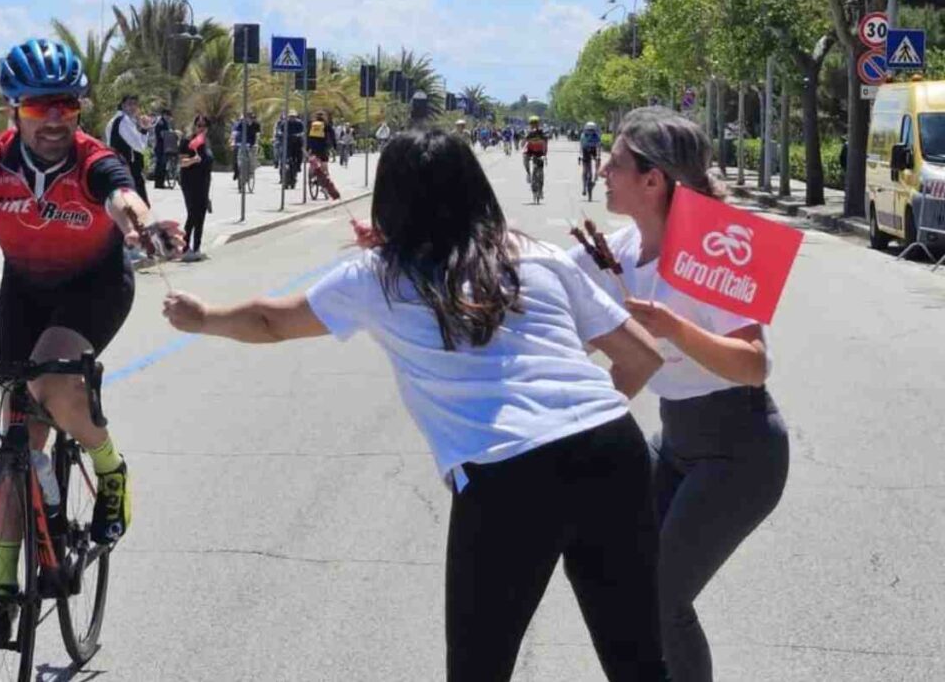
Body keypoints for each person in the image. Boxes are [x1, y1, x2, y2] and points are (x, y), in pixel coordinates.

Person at [164, 129, 670, 681]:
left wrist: (202, 317)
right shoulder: (538, 255)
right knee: (639, 662)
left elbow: (270, 321)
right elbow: (642, 357)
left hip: (507, 471)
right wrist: (575, 423)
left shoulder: (378, 276)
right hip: (612, 447)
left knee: (479, 668)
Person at [0, 38, 184, 647]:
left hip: (96, 286)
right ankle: (1, 585)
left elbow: (123, 198)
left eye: (67, 106)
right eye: (41, 108)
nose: (56, 120)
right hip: (26, 291)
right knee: (19, 435)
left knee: (52, 379)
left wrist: (144, 225)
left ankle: (109, 469)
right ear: (12, 109)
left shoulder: (93, 160)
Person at [570, 106, 789, 682]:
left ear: (653, 180)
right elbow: (532, 286)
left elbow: (753, 365)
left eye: (615, 164)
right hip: (675, 445)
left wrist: (673, 327)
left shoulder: (713, 247)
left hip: (740, 454)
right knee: (609, 568)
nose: (602, 172)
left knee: (662, 597)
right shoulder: (615, 250)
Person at [104, 94, 152, 205]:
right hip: (128, 169)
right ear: (123, 105)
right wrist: (144, 130)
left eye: (135, 104)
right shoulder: (123, 121)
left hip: (118, 166)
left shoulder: (116, 120)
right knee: (140, 206)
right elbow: (140, 146)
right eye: (129, 104)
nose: (133, 107)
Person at [179, 115, 213, 262]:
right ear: (194, 126)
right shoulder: (187, 141)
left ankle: (197, 247)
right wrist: (193, 160)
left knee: (201, 216)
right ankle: (185, 248)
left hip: (204, 184)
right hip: (190, 183)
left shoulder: (206, 143)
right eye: (198, 125)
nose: (201, 128)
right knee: (192, 214)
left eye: (204, 126)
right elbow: (182, 162)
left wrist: (208, 195)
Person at [279, 109, 306, 189]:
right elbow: (280, 131)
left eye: (293, 116)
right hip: (287, 144)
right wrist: (281, 134)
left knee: (299, 156)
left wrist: (299, 135)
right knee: (284, 159)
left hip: (297, 143)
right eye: (290, 116)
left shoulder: (299, 123)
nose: (292, 118)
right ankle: (284, 176)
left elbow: (303, 131)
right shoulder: (284, 123)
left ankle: (298, 167)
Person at [231, 111, 261, 183]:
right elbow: (235, 132)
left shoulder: (255, 125)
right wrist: (233, 142)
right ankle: (238, 172)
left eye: (250, 118)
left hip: (251, 144)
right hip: (241, 144)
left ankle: (250, 173)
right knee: (237, 158)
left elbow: (257, 135)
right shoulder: (241, 124)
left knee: (252, 159)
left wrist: (256, 143)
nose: (249, 119)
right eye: (247, 117)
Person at [521, 115, 549, 184]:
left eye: (535, 123)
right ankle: (528, 173)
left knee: (540, 165)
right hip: (530, 150)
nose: (534, 125)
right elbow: (523, 142)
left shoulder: (542, 132)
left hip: (539, 151)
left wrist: (545, 154)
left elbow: (545, 143)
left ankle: (540, 178)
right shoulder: (528, 132)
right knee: (525, 158)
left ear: (538, 124)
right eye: (532, 123)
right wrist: (523, 145)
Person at [307, 111, 336, 176]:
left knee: (313, 161)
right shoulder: (326, 125)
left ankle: (311, 175)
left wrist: (308, 146)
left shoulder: (312, 124)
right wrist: (334, 145)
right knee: (324, 161)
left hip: (313, 146)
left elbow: (307, 135)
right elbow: (332, 136)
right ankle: (326, 175)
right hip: (323, 146)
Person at [579, 121, 603, 195]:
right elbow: (581, 147)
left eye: (592, 130)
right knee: (585, 170)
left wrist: (598, 156)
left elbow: (599, 146)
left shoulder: (596, 136)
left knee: (598, 162)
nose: (590, 132)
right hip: (585, 151)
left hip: (593, 150)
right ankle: (584, 187)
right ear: (586, 129)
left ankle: (596, 175)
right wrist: (580, 156)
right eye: (589, 130)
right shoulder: (583, 136)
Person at [152, 108, 174, 189]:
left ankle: (160, 183)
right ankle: (159, 183)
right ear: (164, 115)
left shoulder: (164, 122)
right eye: (168, 116)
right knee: (160, 166)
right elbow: (162, 134)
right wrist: (171, 134)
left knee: (162, 165)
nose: (169, 118)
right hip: (160, 147)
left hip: (163, 147)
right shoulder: (161, 123)